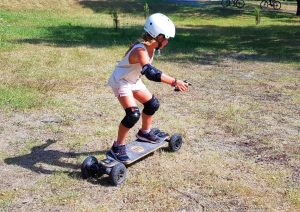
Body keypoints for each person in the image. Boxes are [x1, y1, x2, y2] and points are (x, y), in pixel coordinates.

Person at [107, 13, 189, 162]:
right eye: (167, 38)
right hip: (121, 81)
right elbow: (150, 73)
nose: (167, 42)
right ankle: (117, 147)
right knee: (132, 114)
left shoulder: (150, 48)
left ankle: (144, 132)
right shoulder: (140, 50)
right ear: (158, 37)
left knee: (152, 104)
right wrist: (174, 81)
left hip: (133, 80)